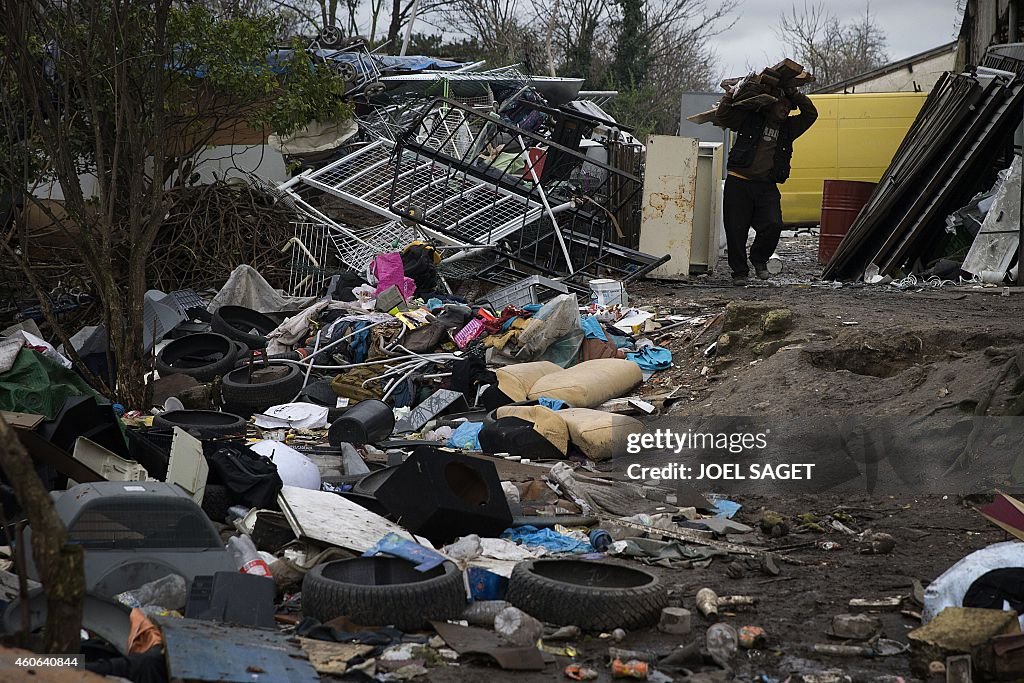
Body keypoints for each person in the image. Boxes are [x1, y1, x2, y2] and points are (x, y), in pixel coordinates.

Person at [714, 86, 817, 286]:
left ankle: (759, 259)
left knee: (773, 224)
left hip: (766, 185)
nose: (786, 109)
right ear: (771, 103)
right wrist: (729, 95)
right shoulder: (750, 119)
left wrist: (794, 93)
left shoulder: (789, 127)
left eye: (789, 107)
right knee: (736, 230)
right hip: (739, 181)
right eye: (783, 104)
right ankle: (740, 273)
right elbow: (724, 115)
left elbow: (811, 114)